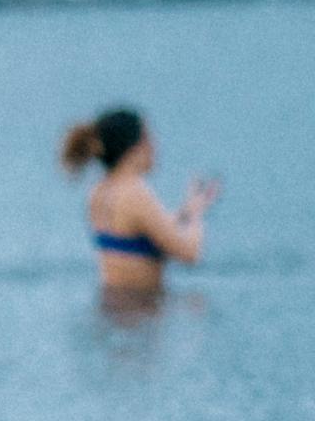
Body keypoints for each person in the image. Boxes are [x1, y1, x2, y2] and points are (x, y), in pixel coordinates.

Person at [63, 105, 220, 293]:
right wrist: (197, 214)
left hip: (110, 305)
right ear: (133, 147)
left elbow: (146, 232)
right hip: (141, 310)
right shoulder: (135, 194)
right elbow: (190, 254)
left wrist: (187, 209)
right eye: (149, 139)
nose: (155, 147)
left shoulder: (99, 191)